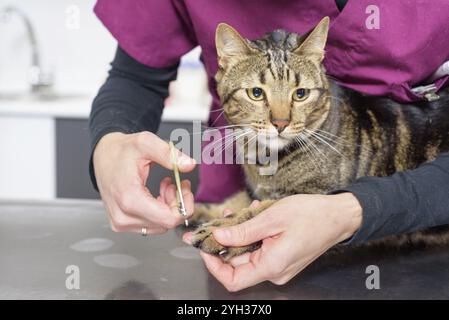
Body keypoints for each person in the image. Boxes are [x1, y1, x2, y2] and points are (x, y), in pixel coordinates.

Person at [90, 0, 449, 291]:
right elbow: (135, 75)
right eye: (259, 93)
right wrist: (110, 141)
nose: (280, 119)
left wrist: (355, 211)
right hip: (234, 232)